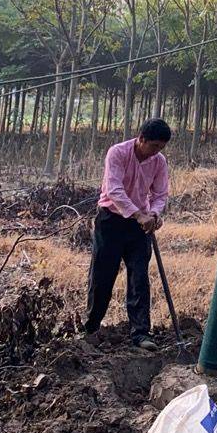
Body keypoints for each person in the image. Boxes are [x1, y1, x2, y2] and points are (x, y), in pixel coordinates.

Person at [84, 118, 171, 350]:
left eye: (161, 148)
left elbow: (161, 193)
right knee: (102, 276)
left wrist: (153, 214)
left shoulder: (159, 162)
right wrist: (137, 214)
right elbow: (114, 189)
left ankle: (141, 333)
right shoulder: (118, 153)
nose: (156, 152)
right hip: (111, 220)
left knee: (139, 277)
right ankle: (91, 328)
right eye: (153, 146)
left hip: (139, 226)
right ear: (141, 139)